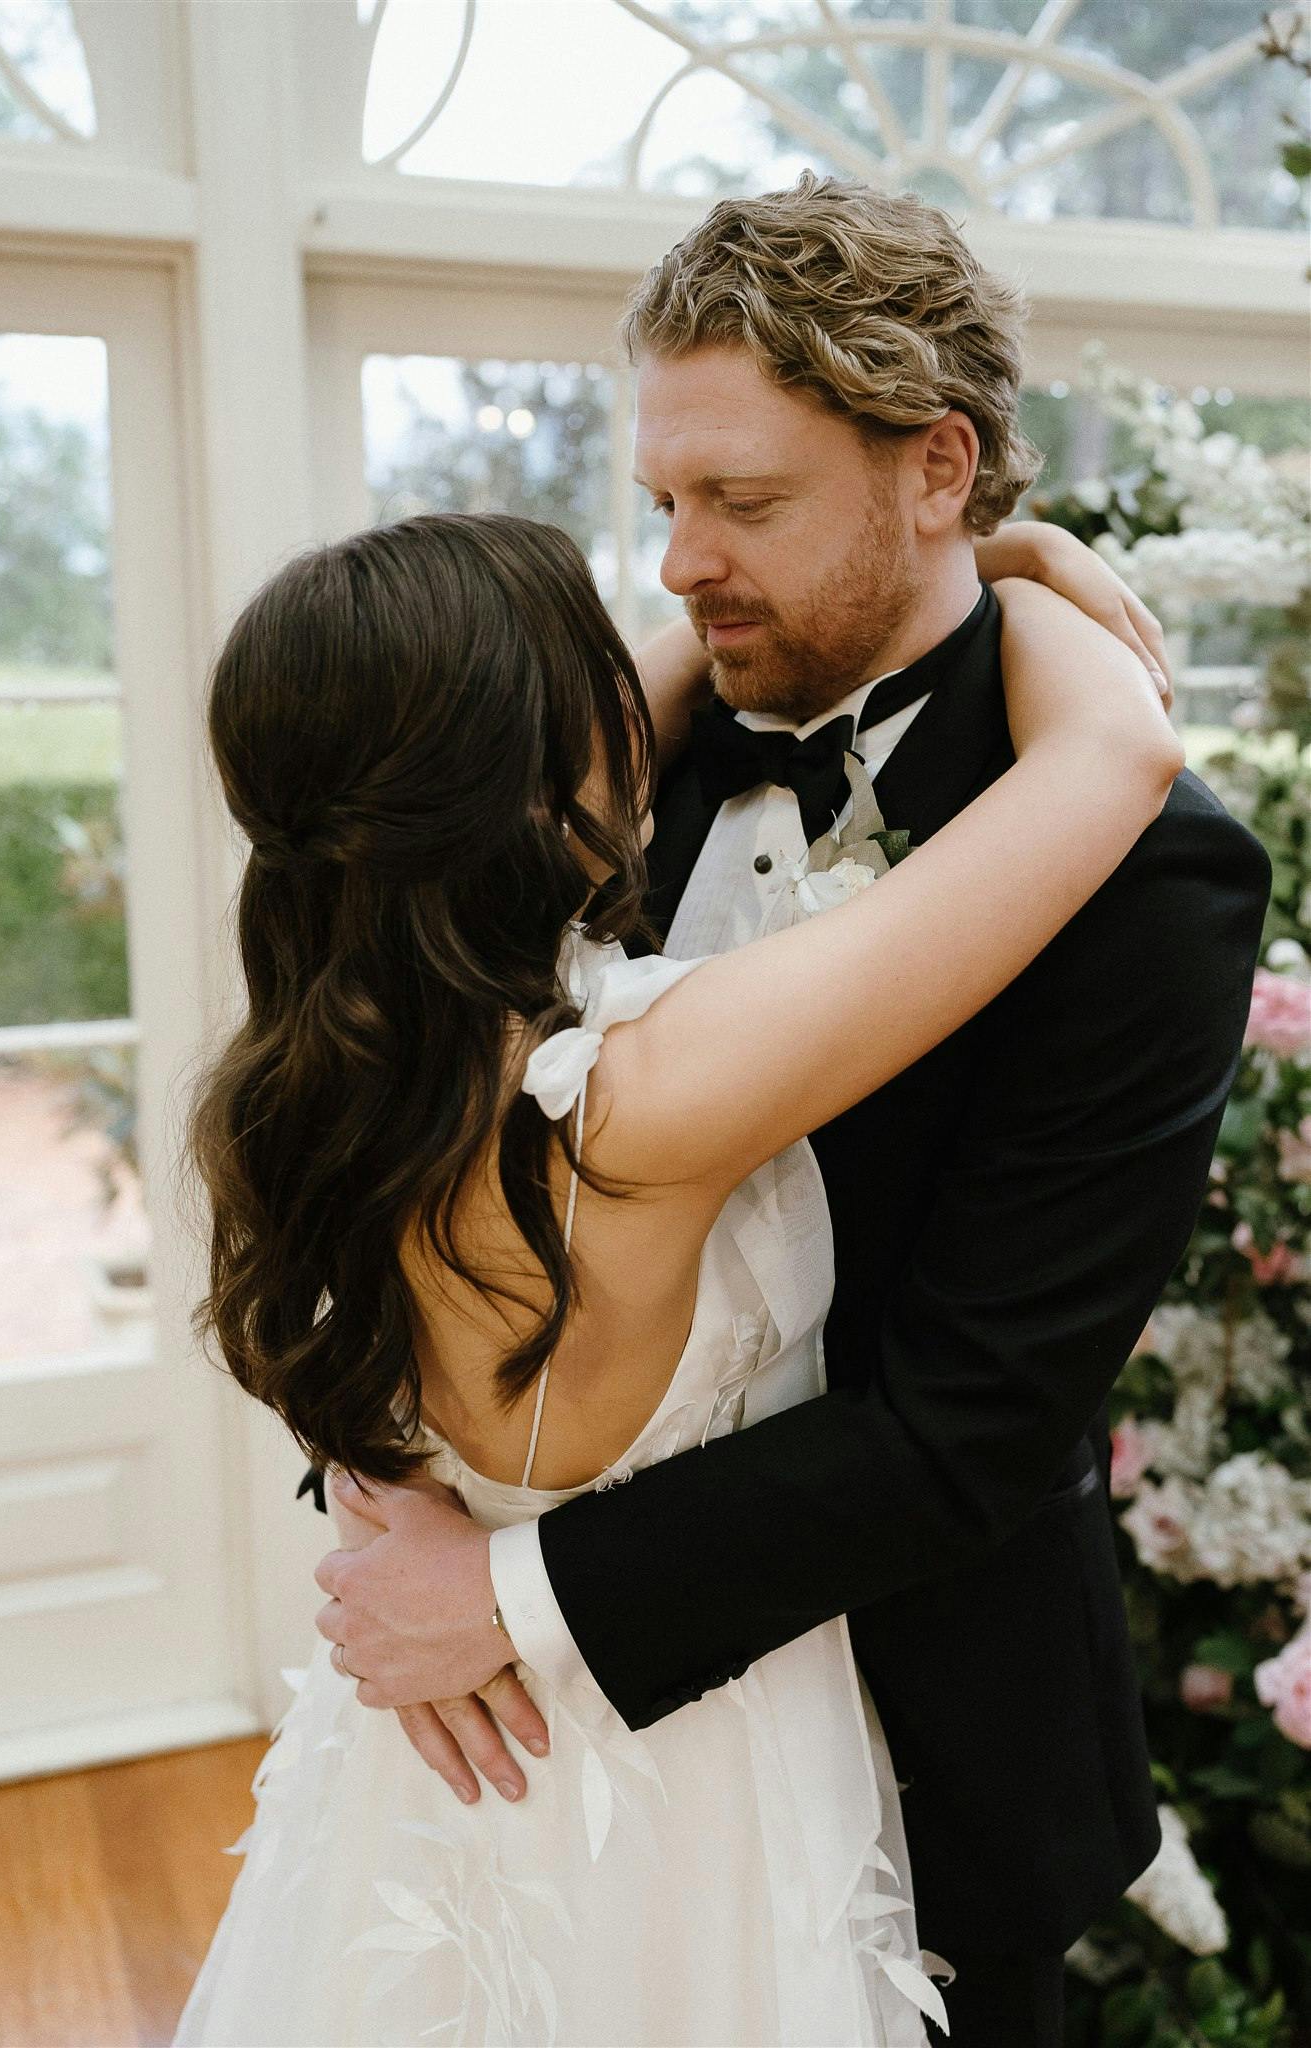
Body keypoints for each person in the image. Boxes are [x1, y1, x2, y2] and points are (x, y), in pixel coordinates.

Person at [300, 179, 1271, 2048]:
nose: (676, 563)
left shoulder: (1148, 872)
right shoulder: (597, 772)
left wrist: (513, 1594)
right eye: (663, 501)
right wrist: (388, 1494)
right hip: (537, 1756)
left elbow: (978, 1419)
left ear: (937, 468)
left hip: (927, 1753)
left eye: (741, 502)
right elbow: (384, 1109)